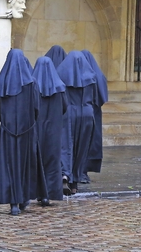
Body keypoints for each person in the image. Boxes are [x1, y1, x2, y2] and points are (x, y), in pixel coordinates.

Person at [0, 49, 40, 215]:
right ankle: (23, 198)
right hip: (26, 130)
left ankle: (12, 201)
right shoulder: (31, 82)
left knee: (9, 165)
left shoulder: (1, 82)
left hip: (8, 131)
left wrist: (7, 122)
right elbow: (36, 108)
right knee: (24, 164)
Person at [56, 51, 97, 195]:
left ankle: (65, 174)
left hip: (69, 113)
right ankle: (75, 184)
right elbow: (97, 97)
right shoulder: (91, 77)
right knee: (82, 148)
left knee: (67, 145)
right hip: (86, 113)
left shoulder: (61, 75)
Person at [32, 56, 67, 206]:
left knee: (38, 159)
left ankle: (38, 192)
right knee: (52, 160)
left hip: (37, 127)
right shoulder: (59, 87)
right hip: (54, 128)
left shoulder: (32, 86)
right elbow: (65, 107)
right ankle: (49, 193)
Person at [81, 50, 108, 182]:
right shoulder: (98, 75)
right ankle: (84, 172)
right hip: (94, 114)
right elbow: (102, 97)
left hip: (83, 112)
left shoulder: (79, 75)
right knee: (90, 142)